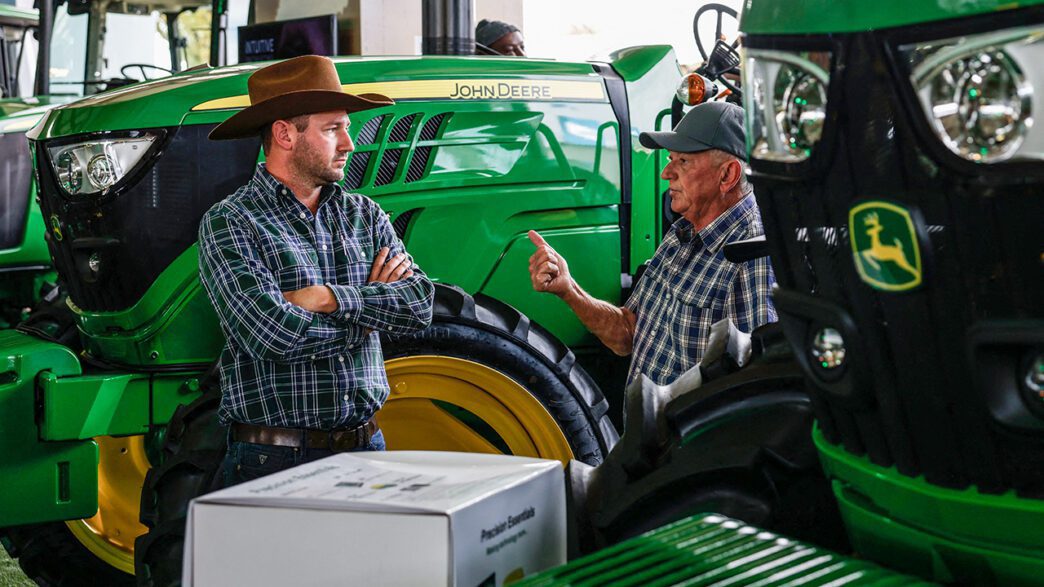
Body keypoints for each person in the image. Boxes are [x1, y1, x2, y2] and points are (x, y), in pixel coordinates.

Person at [200, 55, 434, 486]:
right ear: (285, 134)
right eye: (332, 129)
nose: (349, 144)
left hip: (366, 448)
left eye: (346, 127)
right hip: (273, 460)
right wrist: (369, 317)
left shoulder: (365, 214)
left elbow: (419, 305)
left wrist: (326, 298)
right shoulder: (231, 221)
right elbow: (270, 334)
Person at [528, 101, 776, 386]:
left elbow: (759, 387)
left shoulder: (753, 255)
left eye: (683, 162)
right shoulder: (681, 234)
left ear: (727, 175)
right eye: (671, 159)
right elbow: (627, 334)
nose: (666, 173)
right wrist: (569, 289)